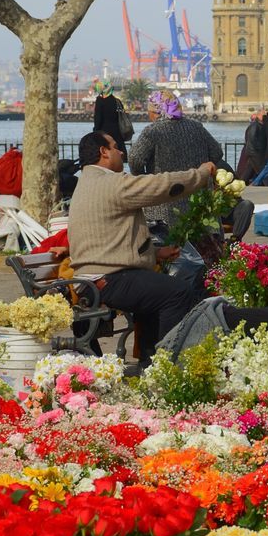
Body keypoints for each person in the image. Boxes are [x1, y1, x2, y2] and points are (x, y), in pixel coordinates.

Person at [68, 131, 216, 367]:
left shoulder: (87, 181)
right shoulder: (111, 183)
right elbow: (161, 186)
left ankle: (150, 361)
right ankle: (167, 364)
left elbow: (108, 239)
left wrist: (155, 254)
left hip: (95, 277)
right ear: (103, 152)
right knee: (178, 293)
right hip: (106, 280)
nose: (121, 152)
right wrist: (200, 174)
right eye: (116, 146)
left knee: (153, 291)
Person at [128, 89, 253, 240]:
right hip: (198, 202)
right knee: (202, 249)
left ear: (155, 112)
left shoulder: (153, 131)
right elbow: (216, 153)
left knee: (169, 251)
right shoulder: (196, 127)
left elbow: (135, 159)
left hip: (164, 203)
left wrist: (145, 179)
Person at [92, 79, 129, 159]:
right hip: (117, 135)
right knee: (118, 158)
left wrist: (95, 132)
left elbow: (98, 119)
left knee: (106, 158)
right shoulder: (117, 101)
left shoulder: (100, 100)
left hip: (104, 134)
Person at [236, 111, 267, 184]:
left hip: (252, 152)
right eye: (264, 115)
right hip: (253, 152)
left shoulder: (258, 126)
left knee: (249, 170)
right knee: (257, 170)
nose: (265, 117)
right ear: (258, 116)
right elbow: (252, 140)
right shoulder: (254, 126)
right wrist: (258, 149)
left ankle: (242, 182)